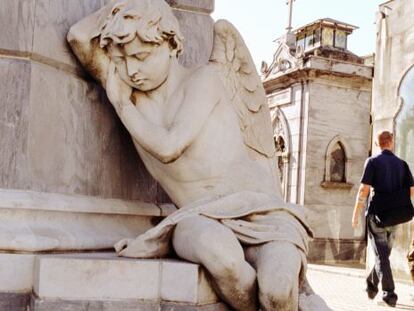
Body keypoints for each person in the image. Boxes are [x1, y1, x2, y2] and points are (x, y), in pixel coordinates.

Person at [67, 1, 320, 310]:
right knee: (223, 259)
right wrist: (126, 12)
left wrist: (121, 105)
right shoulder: (130, 93)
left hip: (261, 212)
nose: (132, 70)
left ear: (171, 44)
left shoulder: (203, 80)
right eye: (121, 60)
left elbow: (169, 146)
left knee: (278, 290)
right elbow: (79, 36)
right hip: (196, 218)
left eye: (141, 56)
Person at [352, 130, 414, 307]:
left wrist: (356, 213)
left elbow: (364, 190)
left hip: (377, 216)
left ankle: (389, 294)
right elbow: (411, 191)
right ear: (391, 142)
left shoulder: (372, 162)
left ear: (378, 144)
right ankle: (372, 286)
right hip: (395, 218)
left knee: (382, 256)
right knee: (383, 256)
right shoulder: (402, 164)